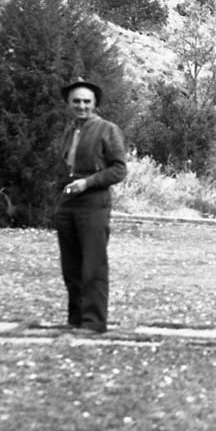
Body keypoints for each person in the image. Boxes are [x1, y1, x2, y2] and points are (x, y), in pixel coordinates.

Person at [55, 78, 127, 334]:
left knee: (93, 264)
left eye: (87, 102)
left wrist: (88, 182)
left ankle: (94, 321)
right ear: (68, 104)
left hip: (94, 202)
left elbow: (119, 169)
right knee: (71, 265)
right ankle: (75, 319)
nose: (81, 106)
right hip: (68, 202)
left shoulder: (107, 129)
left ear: (95, 104)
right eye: (76, 101)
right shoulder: (69, 130)